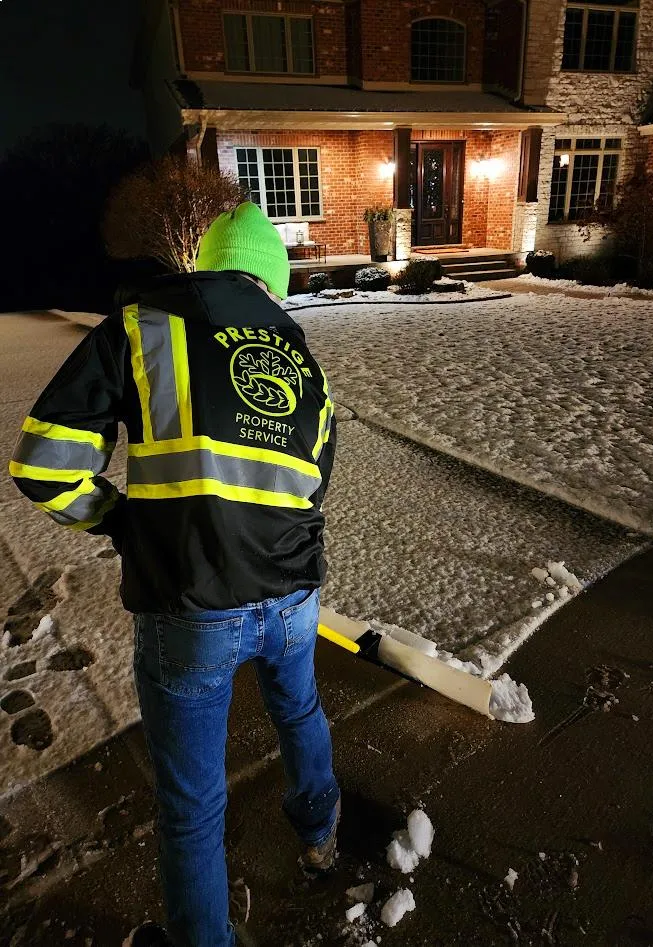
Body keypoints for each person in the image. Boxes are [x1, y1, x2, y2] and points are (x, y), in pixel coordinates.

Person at [9, 202, 340, 947]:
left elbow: (44, 464)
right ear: (273, 284)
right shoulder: (305, 363)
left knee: (193, 807)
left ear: (208, 266)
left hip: (189, 608)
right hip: (292, 596)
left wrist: (120, 521)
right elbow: (312, 487)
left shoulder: (142, 327)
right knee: (299, 712)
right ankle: (321, 834)